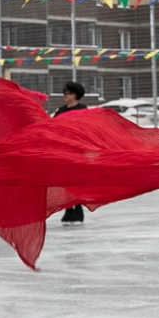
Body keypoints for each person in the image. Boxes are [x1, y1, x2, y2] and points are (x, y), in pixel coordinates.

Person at [54, 81, 88, 224]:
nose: (64, 96)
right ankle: (68, 208)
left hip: (77, 149)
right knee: (65, 180)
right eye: (64, 93)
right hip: (64, 149)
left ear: (75, 94)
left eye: (67, 93)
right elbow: (52, 126)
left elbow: (86, 127)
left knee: (76, 180)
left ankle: (78, 209)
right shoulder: (61, 110)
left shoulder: (82, 109)